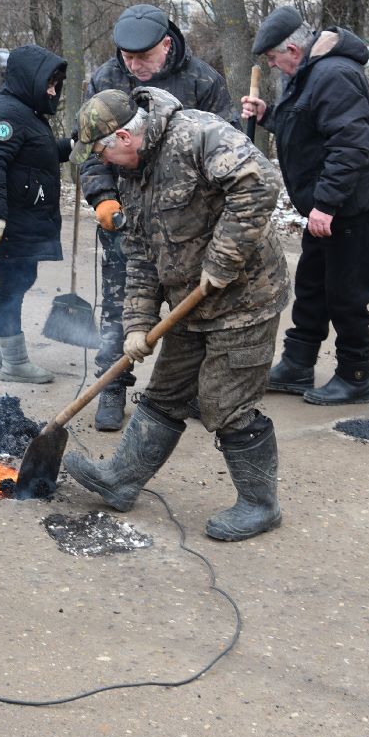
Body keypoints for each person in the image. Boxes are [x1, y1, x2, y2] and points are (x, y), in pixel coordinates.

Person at [63, 86, 289, 542]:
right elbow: (141, 255)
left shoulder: (198, 135)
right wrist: (138, 325)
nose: (102, 162)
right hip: (190, 302)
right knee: (166, 392)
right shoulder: (133, 175)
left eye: (103, 150)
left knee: (225, 405)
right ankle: (121, 479)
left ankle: (260, 505)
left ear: (125, 138)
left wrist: (222, 260)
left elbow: (260, 184)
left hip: (244, 301)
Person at [81, 4, 235, 432]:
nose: (135, 66)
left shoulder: (204, 81)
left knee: (197, 309)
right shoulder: (106, 79)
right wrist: (103, 199)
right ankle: (112, 385)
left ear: (167, 44)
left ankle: (194, 390)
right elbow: (91, 151)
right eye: (128, 58)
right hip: (126, 217)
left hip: (191, 221)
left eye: (144, 57)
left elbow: (228, 147)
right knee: (121, 305)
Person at [241, 6, 369, 406]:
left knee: (346, 293)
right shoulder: (309, 72)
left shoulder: (334, 74)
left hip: (350, 207)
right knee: (312, 286)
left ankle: (355, 375)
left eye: (274, 59)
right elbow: (308, 126)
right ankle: (298, 364)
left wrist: (326, 204)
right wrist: (268, 115)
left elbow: (350, 144)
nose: (274, 66)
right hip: (327, 207)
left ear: (292, 48)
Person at [0, 45, 72, 383]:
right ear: (31, 80)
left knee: (19, 280)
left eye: (56, 85)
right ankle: (14, 363)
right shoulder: (6, 115)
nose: (53, 91)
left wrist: (71, 146)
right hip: (7, 222)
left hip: (24, 218)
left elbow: (36, 157)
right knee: (15, 284)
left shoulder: (26, 111)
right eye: (49, 84)